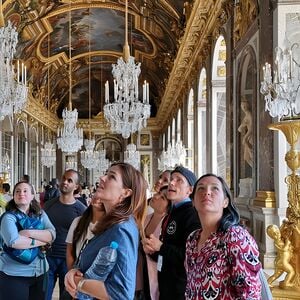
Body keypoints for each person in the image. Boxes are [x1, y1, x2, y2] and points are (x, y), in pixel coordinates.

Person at [64, 162, 148, 299]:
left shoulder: (122, 229)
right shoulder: (110, 224)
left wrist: (79, 283)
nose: (102, 178)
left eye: (112, 177)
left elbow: (121, 294)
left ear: (126, 192)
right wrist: (74, 271)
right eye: (106, 174)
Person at [185, 173, 261, 299]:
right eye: (201, 188)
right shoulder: (192, 239)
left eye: (214, 188)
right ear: (193, 201)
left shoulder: (235, 236)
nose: (207, 192)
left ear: (225, 202)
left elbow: (250, 293)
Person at [143, 166, 200, 299]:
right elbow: (168, 250)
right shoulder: (173, 213)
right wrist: (154, 251)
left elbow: (191, 255)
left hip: (181, 289)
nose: (172, 183)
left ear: (190, 190)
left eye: (179, 180)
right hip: (166, 286)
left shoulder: (191, 215)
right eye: (172, 179)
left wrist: (161, 247)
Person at [0, 181, 56, 300]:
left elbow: (52, 234)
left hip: (40, 272)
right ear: (13, 196)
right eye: (18, 191)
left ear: (32, 196)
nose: (21, 194)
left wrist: (28, 233)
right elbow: (14, 242)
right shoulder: (8, 217)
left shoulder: (40, 214)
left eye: (25, 191)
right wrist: (42, 240)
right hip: (14, 274)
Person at [44, 169, 86, 300]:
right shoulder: (49, 205)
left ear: (76, 186)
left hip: (68, 260)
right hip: (48, 257)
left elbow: (84, 237)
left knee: (66, 296)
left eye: (70, 180)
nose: (65, 182)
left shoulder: (81, 210)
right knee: (44, 294)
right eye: (64, 179)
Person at [143, 185, 171, 300]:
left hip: (157, 275)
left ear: (168, 207)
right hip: (142, 271)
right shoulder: (146, 218)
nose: (156, 196)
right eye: (158, 193)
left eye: (162, 197)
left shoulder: (168, 224)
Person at [66, 189, 105, 270]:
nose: (98, 198)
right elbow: (70, 249)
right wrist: (71, 271)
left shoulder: (109, 227)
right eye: (96, 194)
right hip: (77, 270)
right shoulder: (78, 222)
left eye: (102, 197)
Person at [238, 97, 253, 168]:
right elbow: (242, 126)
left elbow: (251, 129)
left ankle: (255, 168)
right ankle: (254, 168)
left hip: (250, 137)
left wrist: (245, 137)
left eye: (244, 106)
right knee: (246, 158)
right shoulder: (247, 115)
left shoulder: (249, 115)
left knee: (250, 156)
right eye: (242, 106)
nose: (243, 107)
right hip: (248, 137)